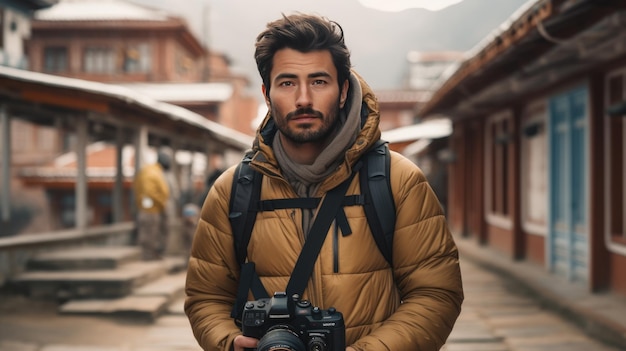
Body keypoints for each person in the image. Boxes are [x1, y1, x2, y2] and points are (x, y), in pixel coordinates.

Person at [185, 13, 464, 351]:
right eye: (287, 83)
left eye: (319, 81)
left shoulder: (397, 182)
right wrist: (228, 342)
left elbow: (435, 293)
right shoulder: (234, 191)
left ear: (343, 90)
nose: (303, 99)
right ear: (267, 94)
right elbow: (205, 296)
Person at [133, 150, 171, 260]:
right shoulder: (152, 172)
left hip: (150, 208)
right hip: (150, 209)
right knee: (148, 234)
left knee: (152, 233)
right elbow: (149, 193)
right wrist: (161, 203)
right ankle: (147, 256)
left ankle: (151, 254)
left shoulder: (152, 171)